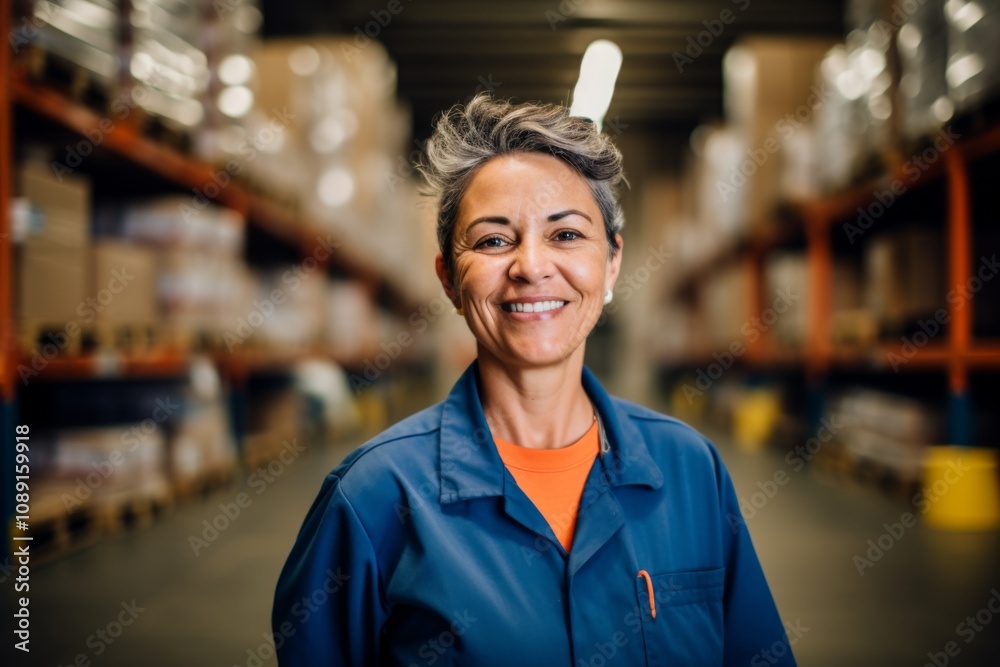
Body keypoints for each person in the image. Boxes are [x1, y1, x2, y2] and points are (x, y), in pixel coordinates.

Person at [272, 94, 796, 666]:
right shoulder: (374, 499)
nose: (531, 266)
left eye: (566, 235)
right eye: (494, 240)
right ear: (449, 278)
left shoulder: (690, 471)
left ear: (611, 263)